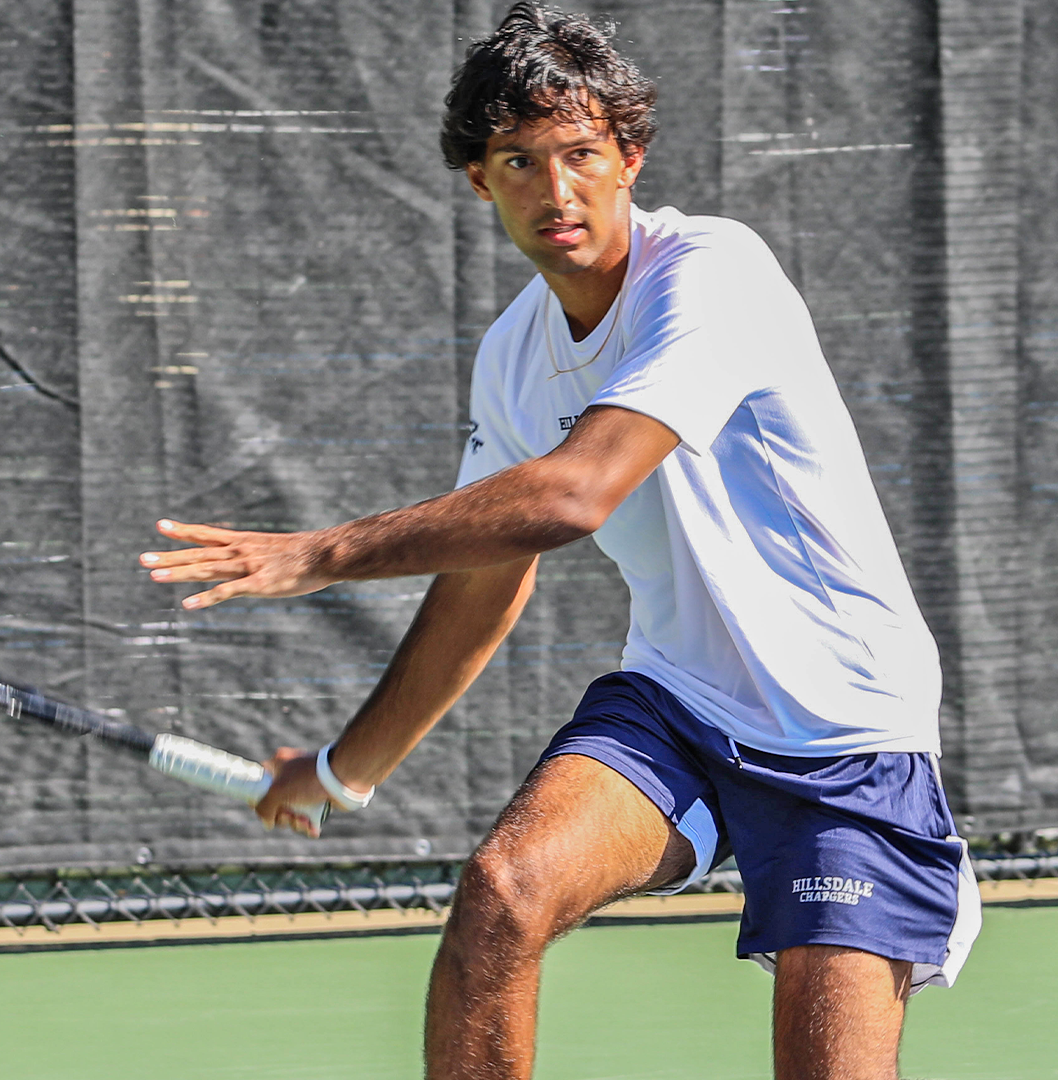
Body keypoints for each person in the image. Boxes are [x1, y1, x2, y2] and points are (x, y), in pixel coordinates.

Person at [138, 5, 979, 1077]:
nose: (556, 189)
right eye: (518, 163)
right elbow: (481, 584)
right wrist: (342, 772)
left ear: (629, 156)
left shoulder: (713, 273)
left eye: (580, 153)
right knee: (502, 892)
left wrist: (319, 553)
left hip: (844, 734)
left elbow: (577, 493)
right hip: (679, 710)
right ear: (481, 184)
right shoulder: (515, 355)